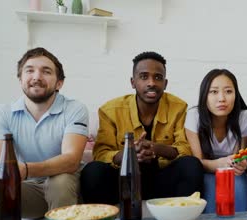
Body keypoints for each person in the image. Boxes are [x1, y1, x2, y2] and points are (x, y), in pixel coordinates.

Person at [0, 47, 89, 220]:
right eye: (29, 70)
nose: (37, 77)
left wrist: (24, 169)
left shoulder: (74, 109)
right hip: (24, 189)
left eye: (46, 71)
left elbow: (71, 161)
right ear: (20, 79)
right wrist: (4, 182)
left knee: (60, 182)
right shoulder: (3, 113)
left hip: (64, 188)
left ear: (59, 83)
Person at [81, 51, 204, 204]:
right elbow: (101, 154)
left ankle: (183, 219)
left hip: (162, 179)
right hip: (124, 182)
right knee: (93, 171)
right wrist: (129, 153)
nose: (151, 83)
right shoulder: (110, 111)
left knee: (191, 165)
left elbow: (184, 149)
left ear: (165, 84)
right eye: (144, 76)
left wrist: (155, 148)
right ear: (133, 82)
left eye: (158, 77)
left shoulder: (178, 108)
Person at [185, 69, 247, 213]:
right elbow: (197, 163)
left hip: (232, 173)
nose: (221, 98)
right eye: (214, 92)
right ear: (204, 96)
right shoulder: (194, 116)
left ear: (236, 94)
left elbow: (239, 156)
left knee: (238, 183)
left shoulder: (244, 117)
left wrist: (240, 163)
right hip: (204, 171)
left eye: (228, 91)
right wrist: (219, 164)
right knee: (210, 185)